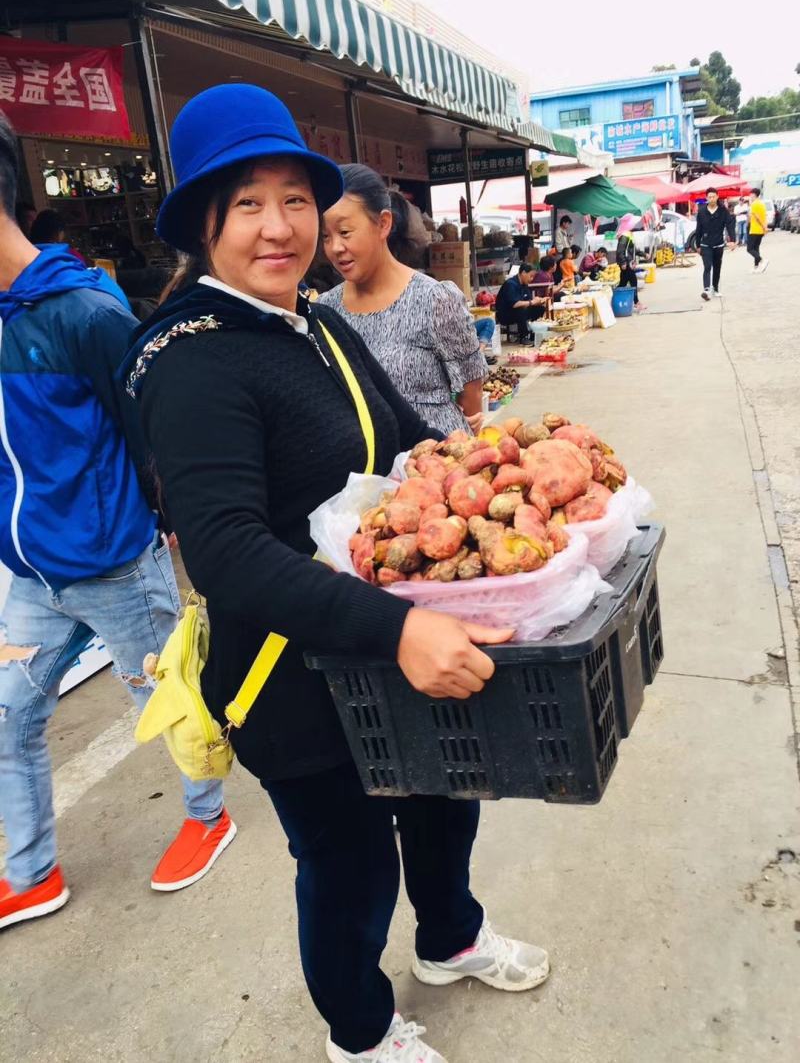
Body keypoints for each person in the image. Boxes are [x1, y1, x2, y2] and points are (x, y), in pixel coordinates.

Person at [124, 84, 550, 1063]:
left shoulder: (312, 323)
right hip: (289, 677)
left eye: (295, 199)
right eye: (246, 203)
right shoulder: (190, 361)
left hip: (384, 638)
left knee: (449, 792)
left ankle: (447, 938)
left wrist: (505, 477)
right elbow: (226, 552)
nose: (278, 227)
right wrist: (402, 628)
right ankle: (358, 1031)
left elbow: (403, 441)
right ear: (201, 220)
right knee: (348, 859)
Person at [0, 111, 234, 932]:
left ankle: (209, 815)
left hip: (113, 565)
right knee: (9, 718)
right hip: (30, 575)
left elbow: (152, 425)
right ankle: (29, 871)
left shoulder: (84, 314)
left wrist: (168, 520)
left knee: (171, 701)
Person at [320, 164, 486, 435]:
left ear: (383, 223)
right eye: (326, 236)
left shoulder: (434, 299)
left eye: (345, 232)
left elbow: (471, 390)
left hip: (435, 462)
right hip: (366, 470)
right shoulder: (326, 310)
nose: (335, 247)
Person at [694, 188, 736, 300]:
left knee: (717, 267)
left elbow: (729, 225)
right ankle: (706, 290)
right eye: (709, 197)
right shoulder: (702, 211)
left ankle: (715, 288)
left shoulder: (723, 211)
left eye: (713, 196)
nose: (711, 199)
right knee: (707, 266)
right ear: (706, 198)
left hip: (718, 244)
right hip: (705, 244)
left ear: (717, 196)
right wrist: (697, 245)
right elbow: (698, 229)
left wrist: (732, 240)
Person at [494, 262, 548, 342]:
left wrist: (538, 301)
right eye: (531, 276)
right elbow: (514, 304)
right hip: (505, 314)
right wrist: (532, 302)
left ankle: (534, 333)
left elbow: (528, 300)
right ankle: (524, 337)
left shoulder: (524, 285)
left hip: (517, 311)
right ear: (523, 273)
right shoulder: (510, 284)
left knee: (540, 309)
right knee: (520, 309)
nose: (532, 279)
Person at [616, 215, 644, 312]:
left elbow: (633, 249)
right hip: (626, 264)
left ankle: (614, 298)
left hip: (628, 263)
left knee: (623, 283)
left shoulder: (628, 234)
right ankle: (636, 303)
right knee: (633, 281)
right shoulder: (624, 236)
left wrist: (644, 254)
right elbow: (620, 250)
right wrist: (623, 262)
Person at [747, 188, 770, 273]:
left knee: (749, 249)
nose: (750, 196)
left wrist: (764, 227)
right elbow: (764, 216)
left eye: (750, 195)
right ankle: (756, 267)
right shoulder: (761, 204)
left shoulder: (754, 204)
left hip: (755, 229)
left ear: (754, 194)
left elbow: (757, 217)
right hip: (760, 230)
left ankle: (762, 260)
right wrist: (764, 227)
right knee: (756, 248)